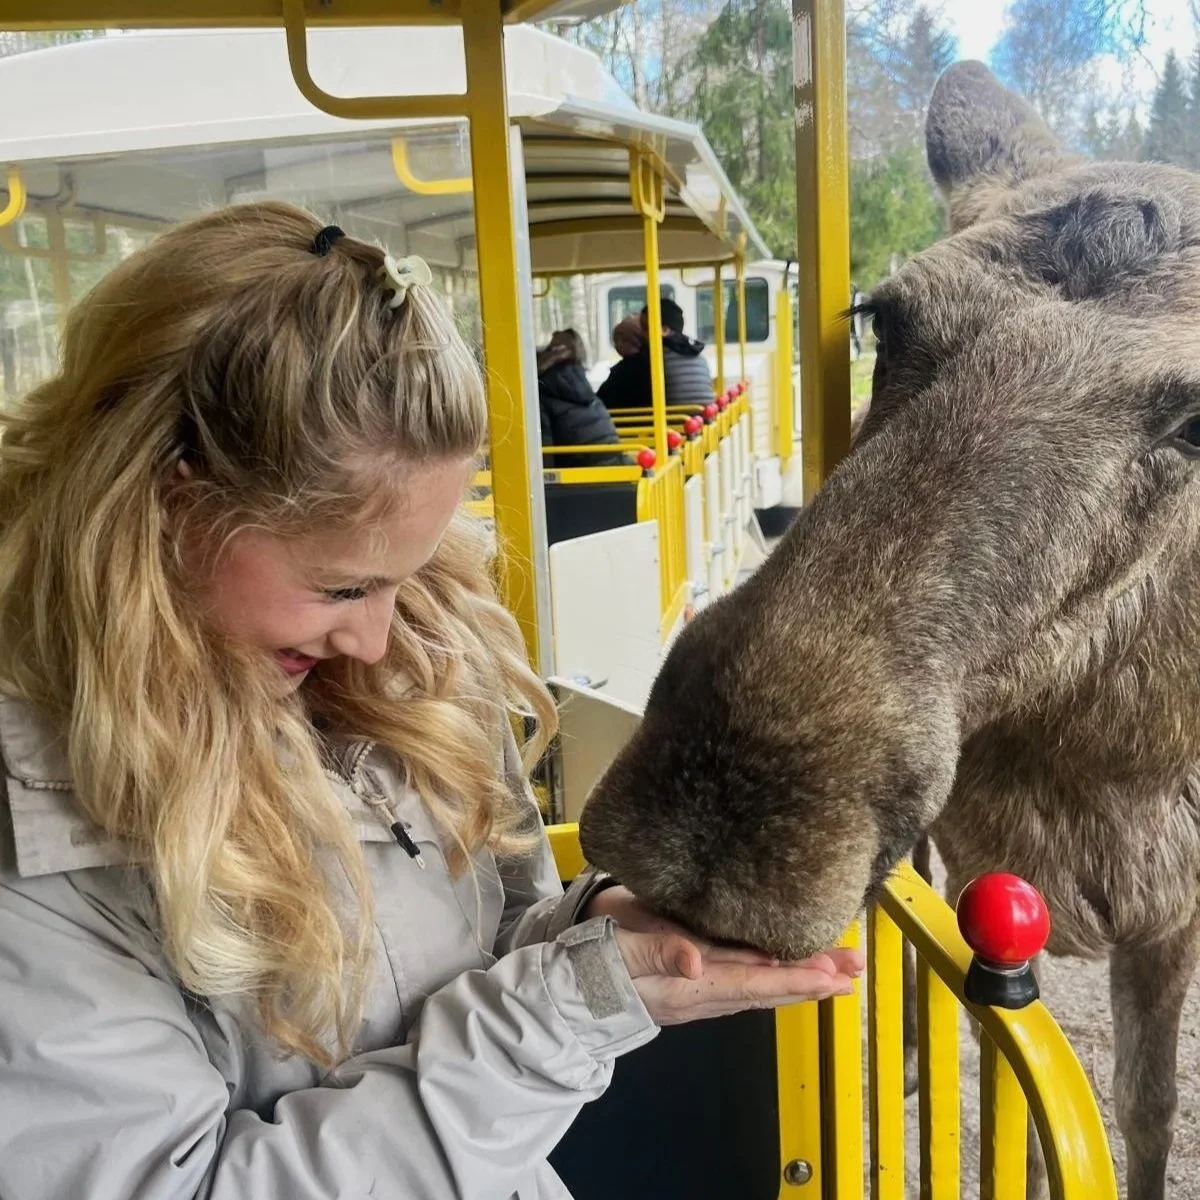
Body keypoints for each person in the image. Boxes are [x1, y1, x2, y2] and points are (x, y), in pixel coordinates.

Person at [0, 201, 862, 1200]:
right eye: (340, 586)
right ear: (163, 501)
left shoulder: (415, 656)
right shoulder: (36, 818)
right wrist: (559, 1016)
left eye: (403, 575)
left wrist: (605, 947)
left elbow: (490, 951)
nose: (374, 635)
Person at [597, 298, 714, 412]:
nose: (642, 334)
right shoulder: (698, 355)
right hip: (700, 422)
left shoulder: (652, 358)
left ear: (665, 330)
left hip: (670, 425)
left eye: (646, 328)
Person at [536, 329, 624, 469]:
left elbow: (544, 458)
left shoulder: (543, 396)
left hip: (585, 478)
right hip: (618, 468)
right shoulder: (584, 387)